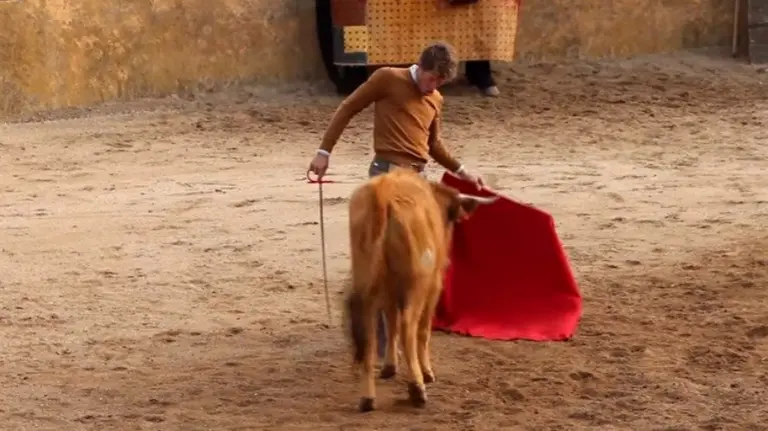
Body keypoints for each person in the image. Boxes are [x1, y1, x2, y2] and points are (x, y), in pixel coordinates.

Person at [307, 41, 485, 358]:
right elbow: (348, 107)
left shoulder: (436, 99)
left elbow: (433, 145)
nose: (434, 86)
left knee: (421, 256)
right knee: (382, 257)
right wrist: (324, 152)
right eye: (432, 79)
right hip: (386, 176)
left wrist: (462, 170)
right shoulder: (388, 78)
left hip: (417, 182)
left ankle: (407, 327)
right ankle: (379, 337)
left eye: (440, 82)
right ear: (421, 67)